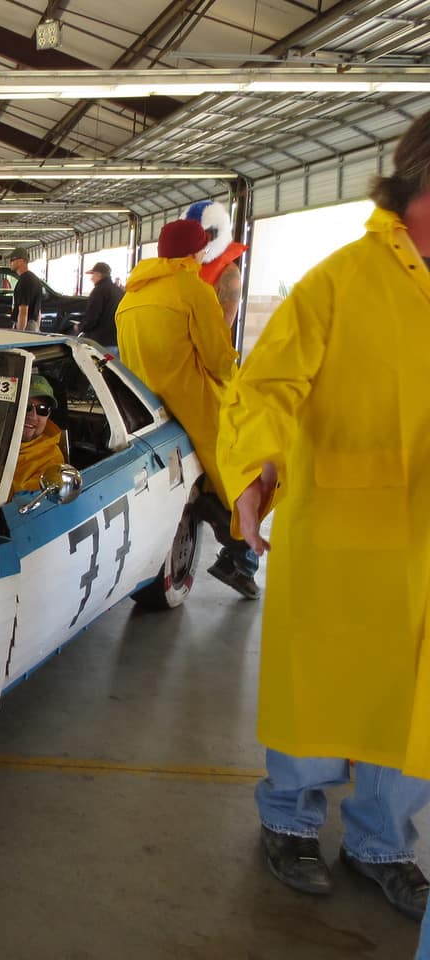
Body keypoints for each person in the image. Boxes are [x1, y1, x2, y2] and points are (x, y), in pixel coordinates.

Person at [215, 108, 430, 926]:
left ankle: (383, 841)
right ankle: (291, 822)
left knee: (417, 699)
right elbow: (267, 386)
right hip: (345, 525)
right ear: (416, 180)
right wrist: (254, 464)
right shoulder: (342, 278)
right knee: (323, 683)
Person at [115, 218, 260, 600]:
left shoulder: (131, 295)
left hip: (145, 411)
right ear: (196, 252)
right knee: (246, 469)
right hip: (193, 406)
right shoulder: (193, 290)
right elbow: (216, 359)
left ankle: (219, 535)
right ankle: (240, 558)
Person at [185, 199, 246, 329]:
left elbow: (221, 330)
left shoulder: (229, 272)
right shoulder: (174, 266)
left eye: (204, 235)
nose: (196, 242)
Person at [9, 375, 64, 500]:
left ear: (48, 415)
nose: (32, 416)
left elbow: (20, 506)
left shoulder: (51, 461)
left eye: (42, 409)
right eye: (25, 406)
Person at [79, 261, 123, 346]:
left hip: (100, 342)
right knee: (112, 360)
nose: (91, 278)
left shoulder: (98, 291)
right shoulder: (118, 291)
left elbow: (92, 316)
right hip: (116, 341)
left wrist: (80, 327)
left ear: (99, 275)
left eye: (93, 275)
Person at [8, 248, 43, 332]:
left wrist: (20, 333)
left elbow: (23, 311)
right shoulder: (35, 279)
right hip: (33, 326)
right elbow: (38, 312)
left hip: (26, 326)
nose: (10, 263)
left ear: (21, 261)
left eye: (12, 260)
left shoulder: (24, 281)